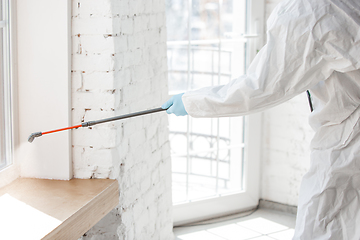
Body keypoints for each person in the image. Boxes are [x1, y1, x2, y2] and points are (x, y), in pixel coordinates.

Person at [162, 0, 360, 239]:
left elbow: (260, 88)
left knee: (322, 219)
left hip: (350, 133)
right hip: (348, 122)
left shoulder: (306, 11)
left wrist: (192, 101)